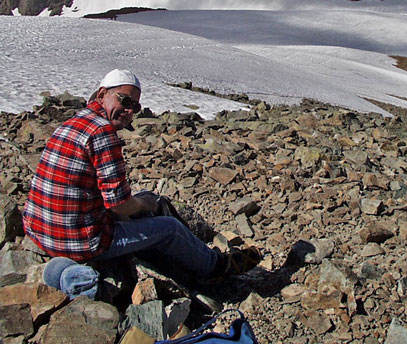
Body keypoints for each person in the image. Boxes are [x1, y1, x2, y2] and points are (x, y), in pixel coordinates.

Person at [23, 69, 260, 283]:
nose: (128, 111)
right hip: (83, 241)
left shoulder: (76, 121)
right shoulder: (102, 132)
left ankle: (191, 250)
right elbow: (119, 205)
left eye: (134, 107)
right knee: (168, 227)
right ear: (102, 93)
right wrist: (142, 204)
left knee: (149, 203)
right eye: (124, 101)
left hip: (40, 231)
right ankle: (217, 266)